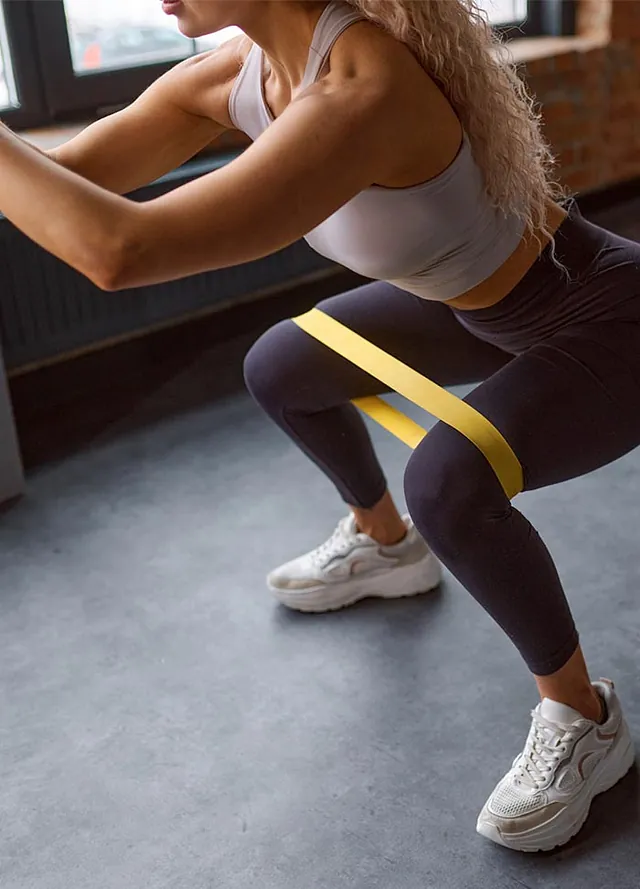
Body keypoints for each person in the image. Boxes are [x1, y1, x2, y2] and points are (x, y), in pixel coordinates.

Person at [0, 0, 637, 854]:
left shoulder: (360, 90)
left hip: (600, 313)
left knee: (450, 481)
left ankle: (584, 716)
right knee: (283, 364)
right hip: (473, 308)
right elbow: (71, 179)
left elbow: (123, 250)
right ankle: (385, 544)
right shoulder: (239, 74)